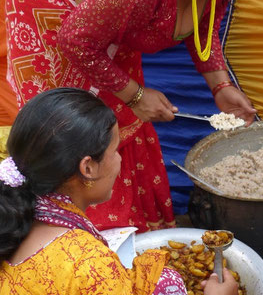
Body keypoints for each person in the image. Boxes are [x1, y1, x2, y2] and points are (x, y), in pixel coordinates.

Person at [5, 0, 263, 231]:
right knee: (76, 130)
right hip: (55, 12)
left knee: (120, 116)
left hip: (105, 12)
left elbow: (201, 29)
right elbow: (76, 40)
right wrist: (135, 95)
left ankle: (135, 225)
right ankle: (84, 236)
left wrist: (220, 86)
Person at [0, 88, 238, 295]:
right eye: (115, 150)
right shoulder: (91, 266)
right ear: (88, 167)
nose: (120, 159)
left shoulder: (18, 208)